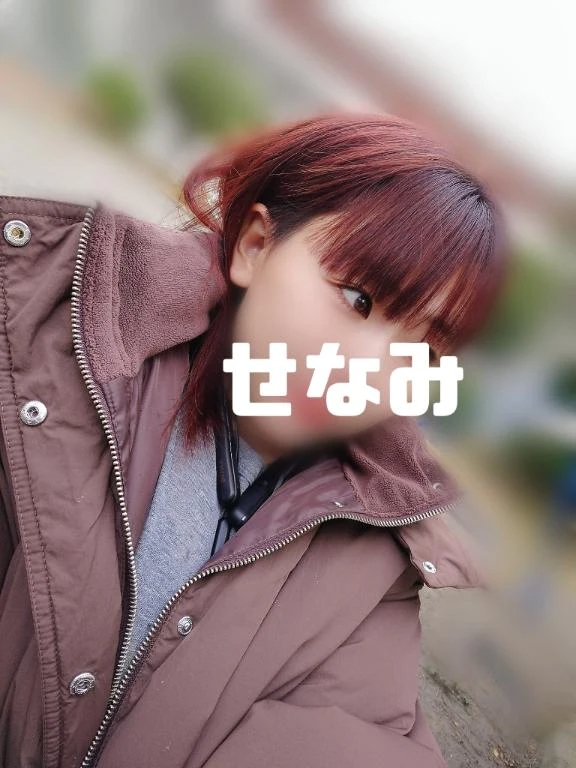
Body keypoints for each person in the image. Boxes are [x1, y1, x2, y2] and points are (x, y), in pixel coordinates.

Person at [0, 113, 507, 768]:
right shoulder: (41, 348)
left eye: (424, 351)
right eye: (357, 298)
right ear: (256, 246)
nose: (369, 370)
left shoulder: (378, 565)